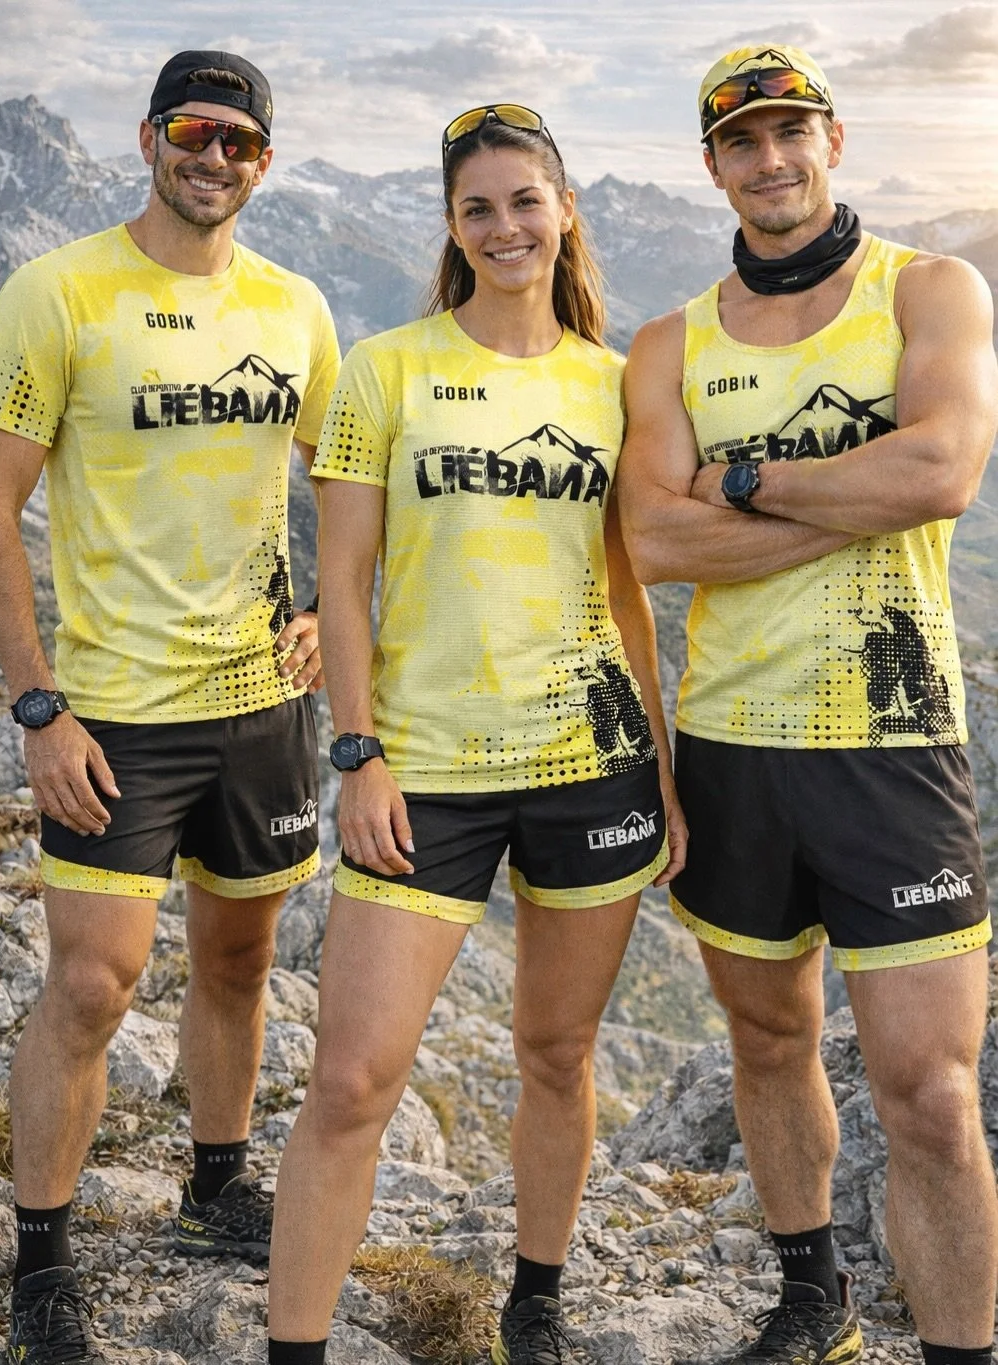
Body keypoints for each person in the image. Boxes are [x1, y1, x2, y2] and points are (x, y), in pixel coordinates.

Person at [265, 104, 687, 1365]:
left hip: (590, 766)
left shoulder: (614, 384)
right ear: (452, 229)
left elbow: (628, 595)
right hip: (424, 772)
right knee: (352, 1081)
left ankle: (536, 1306)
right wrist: (355, 753)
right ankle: (294, 1347)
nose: (505, 228)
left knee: (557, 1053)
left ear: (564, 212)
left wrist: (662, 769)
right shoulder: (385, 369)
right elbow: (342, 585)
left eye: (524, 201)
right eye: (477, 209)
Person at [618, 43, 998, 1365]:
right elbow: (651, 543)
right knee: (770, 1040)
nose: (770, 159)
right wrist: (852, 489)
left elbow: (942, 471)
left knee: (929, 1094)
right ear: (711, 164)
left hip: (895, 741)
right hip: (732, 745)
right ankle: (811, 1303)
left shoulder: (927, 289)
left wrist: (742, 484)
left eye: (791, 132)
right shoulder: (670, 344)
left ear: (831, 139)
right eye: (742, 140)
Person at [0, 49, 340, 1365]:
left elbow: (345, 480)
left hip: (263, 704)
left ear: (263, 163)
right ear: (148, 139)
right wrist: (38, 706)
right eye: (194, 131)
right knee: (91, 983)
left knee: (240, 963)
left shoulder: (296, 307)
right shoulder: (57, 292)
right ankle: (43, 1261)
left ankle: (213, 1186)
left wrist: (327, 611)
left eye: (240, 141)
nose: (215, 157)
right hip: (115, 710)